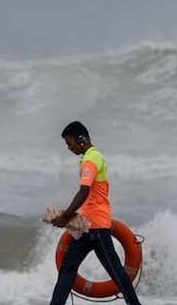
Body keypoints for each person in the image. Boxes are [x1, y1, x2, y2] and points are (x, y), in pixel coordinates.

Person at [49, 121, 143, 305]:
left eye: (70, 143)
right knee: (67, 270)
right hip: (86, 227)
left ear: (81, 139)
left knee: (117, 274)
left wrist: (66, 216)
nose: (69, 148)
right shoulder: (91, 157)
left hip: (97, 228)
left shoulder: (91, 160)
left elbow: (83, 191)